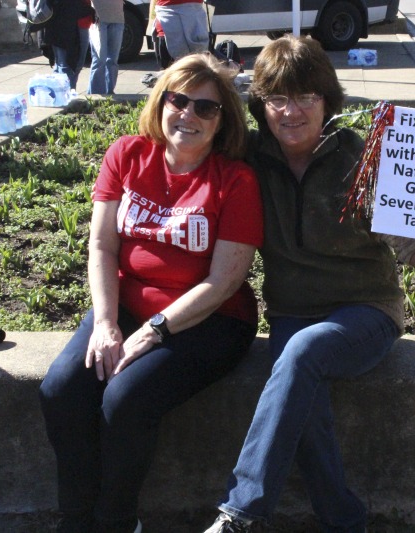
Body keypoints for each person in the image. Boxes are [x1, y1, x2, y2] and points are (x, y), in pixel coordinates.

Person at [203, 35, 415, 533]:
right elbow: (189, 132)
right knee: (302, 389)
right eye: (277, 98)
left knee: (300, 355)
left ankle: (243, 513)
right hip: (293, 314)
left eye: (306, 97)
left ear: (328, 100)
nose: (291, 111)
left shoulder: (363, 161)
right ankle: (344, 519)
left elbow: (414, 245)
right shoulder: (248, 158)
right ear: (261, 104)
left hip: (365, 312)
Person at [39, 52, 263, 533]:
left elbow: (223, 281)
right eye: (178, 100)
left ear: (223, 120)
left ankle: (117, 522)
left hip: (210, 319)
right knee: (61, 389)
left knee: (125, 398)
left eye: (206, 108)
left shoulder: (234, 180)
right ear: (160, 103)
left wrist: (156, 330)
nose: (189, 114)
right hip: (125, 304)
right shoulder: (127, 154)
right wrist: (105, 323)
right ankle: (76, 519)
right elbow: (101, 244)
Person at [41, 0, 95, 91]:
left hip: (78, 21)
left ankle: (63, 94)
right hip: (63, 24)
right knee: (66, 66)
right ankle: (67, 97)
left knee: (71, 65)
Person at [87, 0, 125, 95]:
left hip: (117, 18)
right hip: (98, 20)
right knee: (100, 60)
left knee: (113, 60)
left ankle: (109, 92)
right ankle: (95, 95)